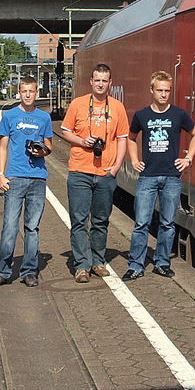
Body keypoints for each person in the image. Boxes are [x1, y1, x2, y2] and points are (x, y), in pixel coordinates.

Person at [122, 71, 195, 281]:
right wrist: (134, 160)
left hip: (172, 177)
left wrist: (188, 158)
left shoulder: (179, 114)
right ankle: (136, 265)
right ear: (152, 90)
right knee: (141, 223)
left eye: (167, 90)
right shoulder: (141, 115)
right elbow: (131, 138)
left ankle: (162, 263)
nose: (164, 94)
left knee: (167, 223)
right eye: (160, 90)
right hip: (147, 176)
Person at [60, 63, 128, 283]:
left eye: (104, 80)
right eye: (97, 80)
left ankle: (97, 261)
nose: (100, 84)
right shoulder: (78, 104)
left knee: (100, 220)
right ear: (91, 82)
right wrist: (82, 141)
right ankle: (82, 265)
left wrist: (116, 167)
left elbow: (122, 139)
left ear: (110, 83)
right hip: (80, 171)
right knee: (79, 220)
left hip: (105, 173)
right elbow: (65, 131)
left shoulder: (117, 107)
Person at [0, 77, 53, 288]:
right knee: (9, 226)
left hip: (38, 178)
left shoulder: (44, 117)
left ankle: (29, 271)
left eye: (31, 91)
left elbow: (49, 147)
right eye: (24, 91)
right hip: (15, 177)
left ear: (36, 93)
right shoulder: (9, 116)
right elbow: (2, 147)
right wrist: (1, 174)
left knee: (32, 228)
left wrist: (41, 151)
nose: (27, 95)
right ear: (19, 92)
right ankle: (2, 271)